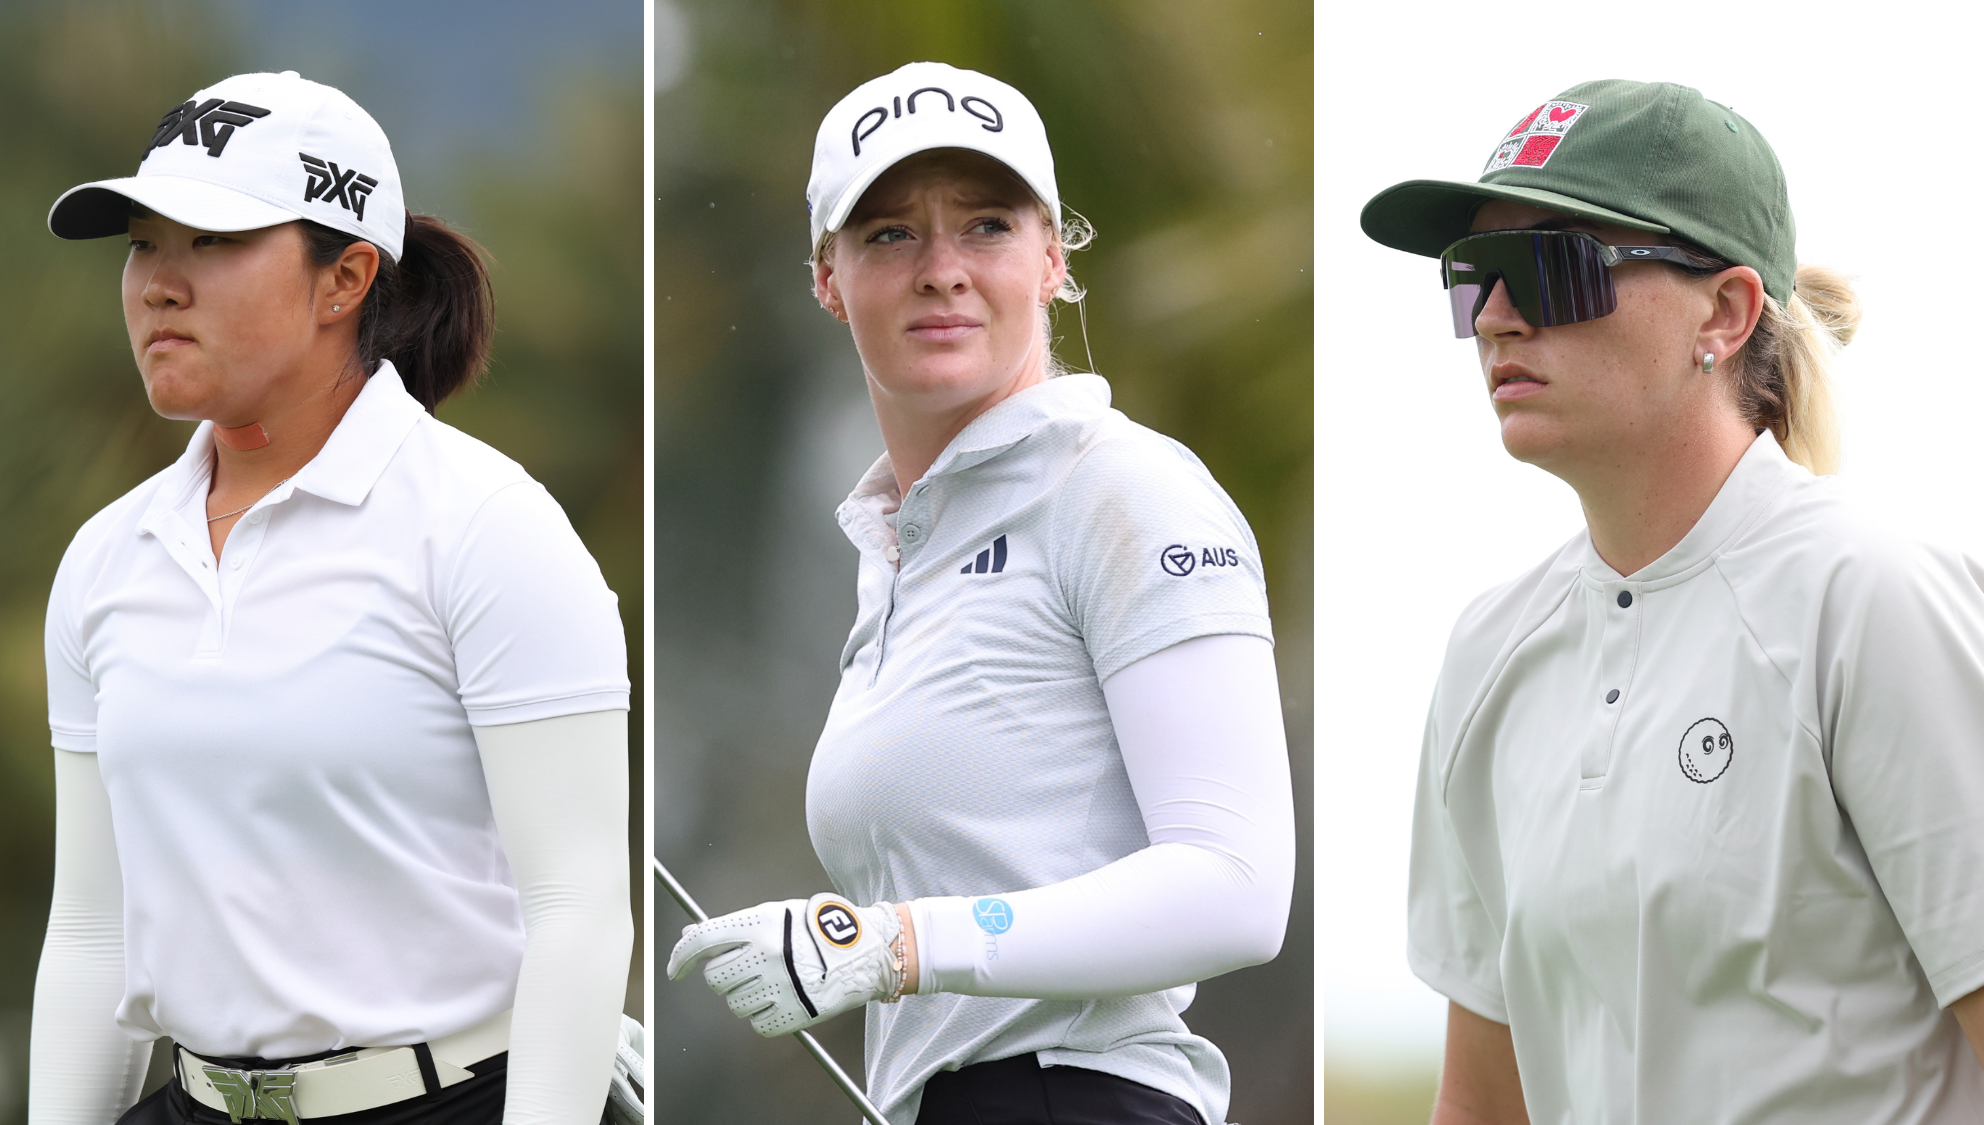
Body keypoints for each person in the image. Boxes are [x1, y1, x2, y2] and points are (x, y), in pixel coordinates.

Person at [663, 62, 1296, 1125]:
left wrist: (897, 945)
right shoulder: (896, 553)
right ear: (827, 277)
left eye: (987, 225)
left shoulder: (1120, 488)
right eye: (889, 234)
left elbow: (1235, 888)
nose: (941, 270)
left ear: (1050, 256)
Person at [1360, 79, 1984, 1123]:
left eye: (1548, 268)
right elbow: (1480, 1103)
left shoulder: (1868, 600)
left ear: (1725, 313)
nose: (1496, 318)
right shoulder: (1487, 652)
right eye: (1472, 277)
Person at [31, 71, 634, 1125]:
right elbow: (92, 930)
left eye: (211, 242)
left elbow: (578, 915)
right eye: (142, 243)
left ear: (345, 277)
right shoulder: (105, 558)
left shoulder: (486, 527)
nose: (158, 285)